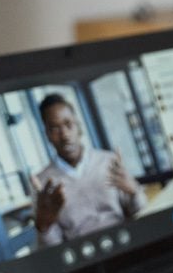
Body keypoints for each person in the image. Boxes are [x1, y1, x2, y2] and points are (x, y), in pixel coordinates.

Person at [32, 93, 146, 247]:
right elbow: (53, 248)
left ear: (78, 126)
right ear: (47, 135)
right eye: (55, 128)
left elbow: (141, 213)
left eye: (69, 124)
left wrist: (134, 192)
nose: (64, 135)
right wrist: (43, 226)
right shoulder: (43, 184)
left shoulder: (108, 161)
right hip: (85, 257)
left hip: (126, 242)